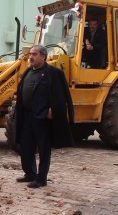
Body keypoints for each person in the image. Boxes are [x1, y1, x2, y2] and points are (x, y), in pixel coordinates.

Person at [15, 45, 74, 188]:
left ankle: (41, 179)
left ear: (43, 56)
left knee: (43, 148)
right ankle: (30, 174)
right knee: (26, 147)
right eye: (30, 54)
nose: (31, 57)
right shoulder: (28, 71)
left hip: (42, 117)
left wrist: (54, 109)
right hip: (27, 115)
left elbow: (60, 96)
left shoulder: (53, 73)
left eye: (34, 54)